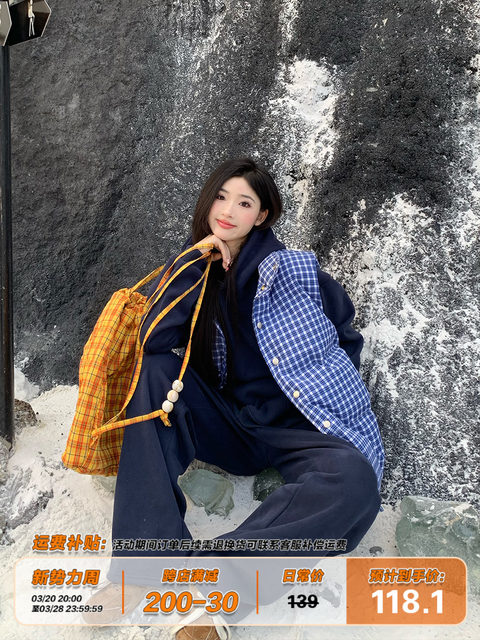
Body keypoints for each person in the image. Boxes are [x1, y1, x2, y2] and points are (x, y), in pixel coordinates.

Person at [86, 157, 384, 638]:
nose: (228, 211)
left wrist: (322, 387)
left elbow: (345, 336)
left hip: (301, 425)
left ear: (261, 215)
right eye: (221, 198)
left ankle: (220, 588)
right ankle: (143, 564)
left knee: (355, 481)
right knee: (158, 371)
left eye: (244, 203)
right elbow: (153, 340)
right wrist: (193, 263)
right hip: (229, 422)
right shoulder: (191, 269)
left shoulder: (298, 272)